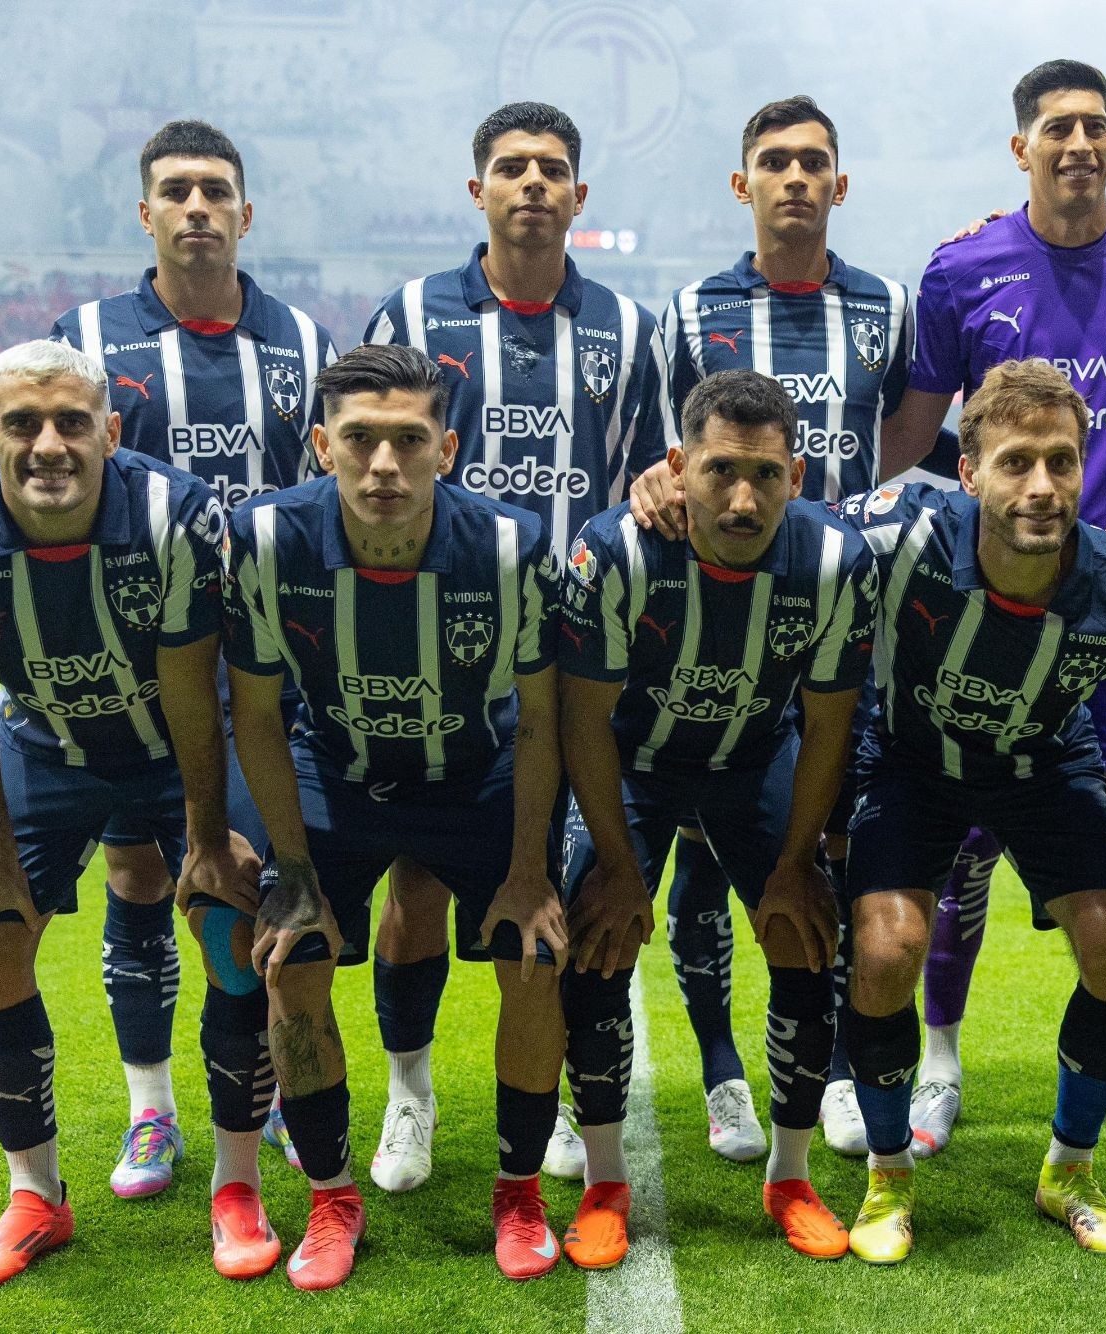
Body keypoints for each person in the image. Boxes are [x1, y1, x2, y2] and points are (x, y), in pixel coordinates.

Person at [884, 60, 1106, 1155]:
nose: (1077, 143)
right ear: (1021, 146)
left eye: (1093, 126)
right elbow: (917, 433)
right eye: (1056, 127)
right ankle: (940, 1058)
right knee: (963, 852)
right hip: (996, 597)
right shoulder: (960, 267)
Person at [831, 358, 1106, 1265]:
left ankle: (1069, 1171)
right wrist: (667, 488)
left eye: (1062, 461)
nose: (1042, 486)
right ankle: (888, 1175)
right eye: (1016, 462)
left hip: (1045, 764)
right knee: (886, 954)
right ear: (969, 473)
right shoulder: (898, 532)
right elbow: (786, 533)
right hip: (914, 762)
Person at [0, 340, 256, 1288]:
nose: (48, 444)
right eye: (22, 424)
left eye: (71, 423)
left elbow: (191, 686)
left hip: (178, 745)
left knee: (234, 925)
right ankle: (35, 1197)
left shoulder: (176, 514)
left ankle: (238, 1183)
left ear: (110, 433)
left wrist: (208, 839)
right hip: (44, 744)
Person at [362, 100, 673, 1193]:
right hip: (436, 656)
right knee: (415, 887)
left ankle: (548, 1097)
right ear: (478, 190)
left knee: (549, 891)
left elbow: (655, 480)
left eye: (550, 169)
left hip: (578, 654)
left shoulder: (630, 330)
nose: (531, 183)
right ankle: (408, 1093)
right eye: (510, 167)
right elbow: (370, 468)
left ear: (579, 195)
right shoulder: (413, 314)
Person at [221, 344, 566, 1288]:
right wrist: (294, 875)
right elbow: (256, 714)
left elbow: (544, 718)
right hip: (336, 774)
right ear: (321, 445)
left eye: (409, 441)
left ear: (446, 449)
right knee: (291, 956)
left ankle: (519, 1192)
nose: (383, 465)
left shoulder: (511, 546)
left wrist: (529, 872)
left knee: (535, 956)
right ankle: (331, 1198)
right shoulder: (265, 539)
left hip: (475, 777)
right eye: (360, 439)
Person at [632, 95, 927, 1164]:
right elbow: (665, 451)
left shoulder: (888, 306)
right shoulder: (691, 310)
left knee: (821, 849)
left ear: (838, 183)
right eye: (773, 161)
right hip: (717, 604)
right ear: (741, 182)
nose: (794, 177)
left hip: (835, 605)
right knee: (702, 855)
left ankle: (836, 1067)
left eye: (813, 162)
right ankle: (722, 1072)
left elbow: (907, 435)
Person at [48, 118, 337, 1194]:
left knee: (249, 882)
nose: (198, 207)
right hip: (131, 678)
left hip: (259, 679)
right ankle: (150, 1111)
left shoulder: (302, 343)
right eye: (176, 191)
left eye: (216, 190)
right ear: (146, 213)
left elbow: (323, 501)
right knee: (135, 876)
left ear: (245, 213)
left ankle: (261, 1098)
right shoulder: (86, 338)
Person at [555, 369, 877, 1267]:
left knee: (807, 935)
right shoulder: (615, 551)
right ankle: (606, 1182)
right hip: (634, 764)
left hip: (752, 759)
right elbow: (582, 719)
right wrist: (616, 865)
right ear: (677, 466)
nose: (743, 499)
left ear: (796, 477)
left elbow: (828, 724)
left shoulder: (836, 564)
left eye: (766, 475)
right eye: (720, 471)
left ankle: (791, 1177)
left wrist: (799, 861)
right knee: (597, 936)